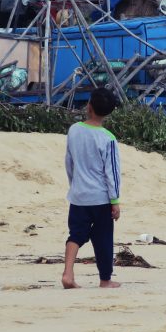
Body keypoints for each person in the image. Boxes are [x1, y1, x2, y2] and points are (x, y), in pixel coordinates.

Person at [61, 87, 122, 289]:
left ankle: (68, 273)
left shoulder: (74, 130)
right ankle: (105, 279)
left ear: (89, 107)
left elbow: (69, 162)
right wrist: (115, 201)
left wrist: (74, 184)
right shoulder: (108, 138)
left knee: (75, 234)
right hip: (100, 198)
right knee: (103, 239)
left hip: (78, 195)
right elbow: (111, 172)